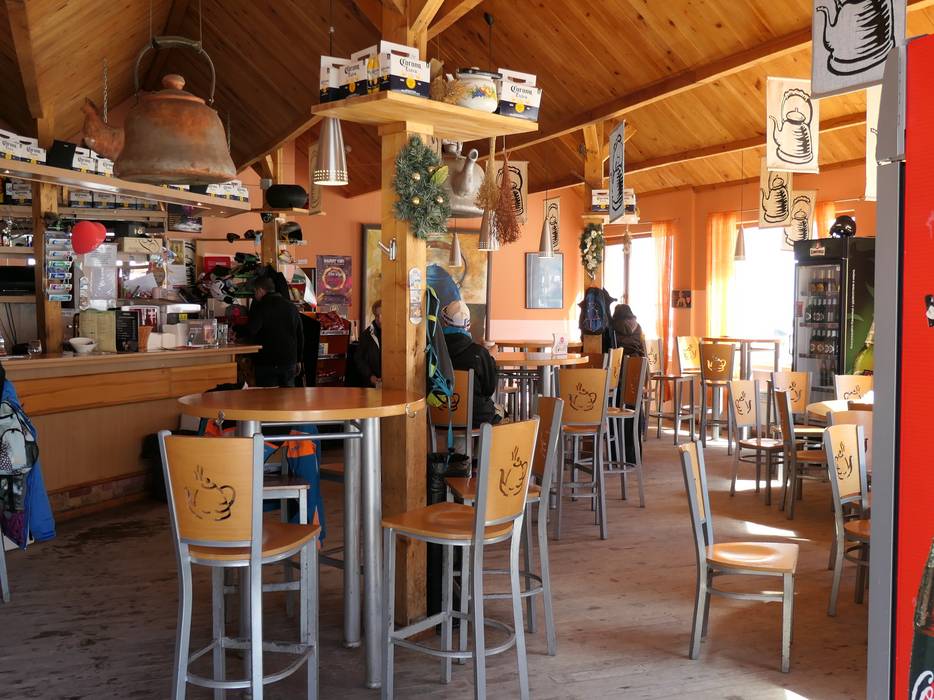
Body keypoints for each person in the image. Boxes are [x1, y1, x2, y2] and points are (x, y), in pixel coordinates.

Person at [440, 300, 501, 425]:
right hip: (476, 419)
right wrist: (490, 359)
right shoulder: (479, 354)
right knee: (501, 412)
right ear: (468, 325)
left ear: (445, 323)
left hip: (439, 415)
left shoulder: (435, 352)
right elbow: (489, 390)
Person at [238, 275, 304, 387]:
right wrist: (299, 360)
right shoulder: (291, 306)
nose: (255, 295)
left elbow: (251, 330)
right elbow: (300, 335)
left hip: (267, 361)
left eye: (255, 292)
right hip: (289, 361)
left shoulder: (261, 307)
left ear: (260, 290)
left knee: (267, 396)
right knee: (288, 395)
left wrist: (236, 330)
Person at [355, 300, 383, 387]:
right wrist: (370, 376)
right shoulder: (366, 335)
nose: (380, 320)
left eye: (383, 315)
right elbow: (359, 359)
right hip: (372, 385)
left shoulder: (397, 335)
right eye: (377, 316)